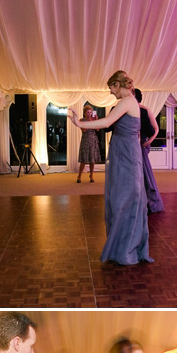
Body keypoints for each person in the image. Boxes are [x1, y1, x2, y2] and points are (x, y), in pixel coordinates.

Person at [68, 71, 153, 266]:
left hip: (126, 155)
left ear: (117, 84)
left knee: (125, 200)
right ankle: (122, 246)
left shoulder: (126, 101)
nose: (110, 92)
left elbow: (107, 122)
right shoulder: (127, 102)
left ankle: (125, 249)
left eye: (111, 88)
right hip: (123, 152)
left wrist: (79, 123)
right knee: (120, 199)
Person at [134, 88, 164, 213]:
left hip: (142, 143)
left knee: (143, 171)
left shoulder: (144, 110)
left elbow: (156, 129)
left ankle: (148, 201)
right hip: (132, 143)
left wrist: (149, 141)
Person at [77, 104, 102, 184]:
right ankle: (79, 175)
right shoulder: (81, 120)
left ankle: (91, 175)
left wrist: (96, 121)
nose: (89, 114)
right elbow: (84, 130)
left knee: (92, 159)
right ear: (84, 113)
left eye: (90, 112)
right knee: (83, 160)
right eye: (88, 112)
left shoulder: (93, 119)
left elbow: (97, 129)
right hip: (85, 140)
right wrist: (90, 121)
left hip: (93, 140)